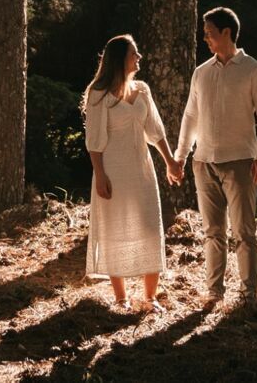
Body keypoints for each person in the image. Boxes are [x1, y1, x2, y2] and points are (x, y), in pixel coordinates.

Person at [174, 6, 257, 308]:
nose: (205, 38)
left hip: (242, 162)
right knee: (212, 232)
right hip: (203, 162)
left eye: (209, 33)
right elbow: (190, 116)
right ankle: (214, 291)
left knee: (244, 231)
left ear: (227, 32)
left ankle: (247, 294)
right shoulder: (201, 72)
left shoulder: (254, 71)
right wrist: (181, 156)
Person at [83, 33, 181, 310]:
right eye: (133, 54)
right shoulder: (98, 94)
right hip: (113, 168)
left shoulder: (142, 90)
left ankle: (149, 297)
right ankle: (121, 299)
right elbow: (94, 140)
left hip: (141, 167)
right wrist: (100, 175)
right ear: (119, 59)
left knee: (150, 226)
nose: (139, 58)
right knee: (116, 227)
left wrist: (170, 162)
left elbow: (155, 131)